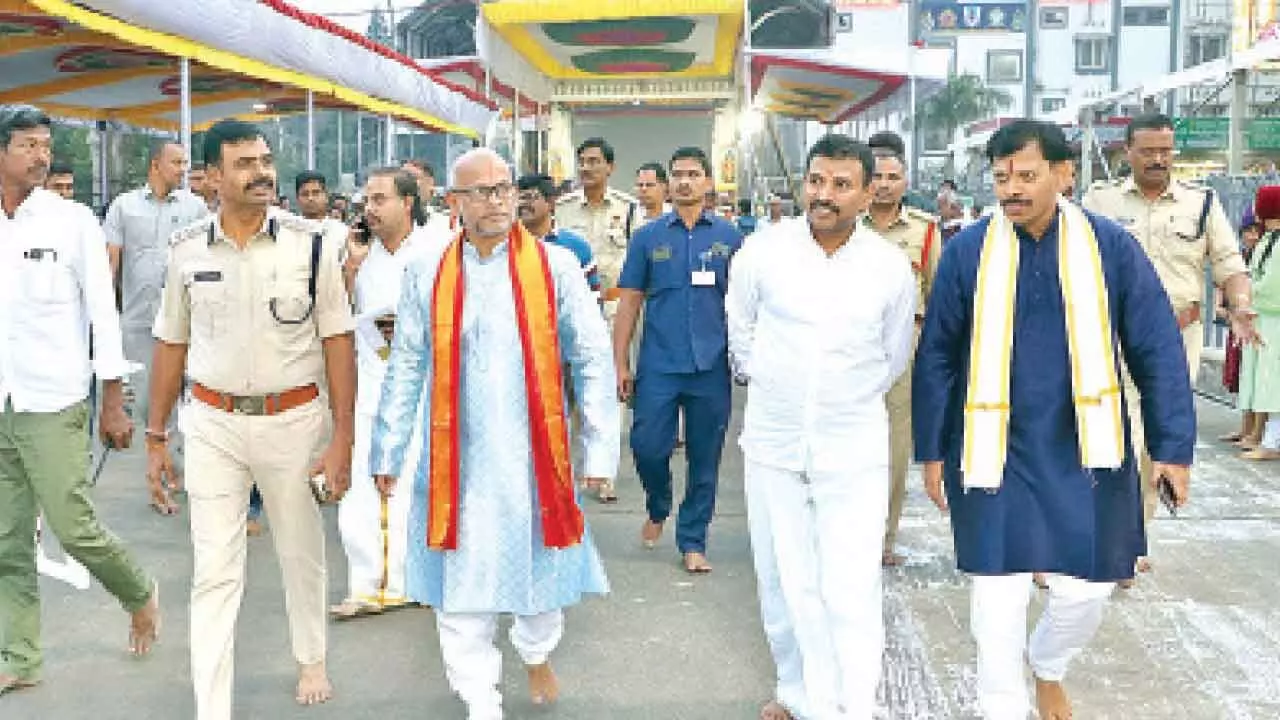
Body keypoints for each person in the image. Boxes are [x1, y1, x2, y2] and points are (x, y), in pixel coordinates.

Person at [913, 120, 1195, 720]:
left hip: (1084, 448)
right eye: (1001, 178)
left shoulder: (1110, 247)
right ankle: (1002, 707)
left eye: (1026, 175)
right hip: (992, 448)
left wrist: (1172, 447)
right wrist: (931, 450)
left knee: (1089, 589)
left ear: (1064, 175)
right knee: (996, 599)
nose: (1011, 189)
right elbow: (937, 354)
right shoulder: (968, 252)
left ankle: (1047, 663)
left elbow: (1156, 348)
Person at [369, 148, 617, 719]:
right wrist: (388, 449)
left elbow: (591, 357)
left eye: (504, 188)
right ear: (454, 202)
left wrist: (600, 450)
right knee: (460, 590)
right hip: (455, 462)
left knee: (540, 583)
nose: (498, 201)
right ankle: (481, 701)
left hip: (533, 461)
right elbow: (407, 363)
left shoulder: (554, 267)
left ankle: (535, 652)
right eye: (481, 191)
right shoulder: (428, 270)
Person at [145, 119, 356, 718]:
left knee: (300, 550)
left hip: (293, 421)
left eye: (265, 160)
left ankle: (311, 657)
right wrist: (156, 437)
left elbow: (338, 341)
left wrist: (343, 437)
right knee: (214, 568)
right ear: (212, 177)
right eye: (244, 164)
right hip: (211, 424)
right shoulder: (186, 249)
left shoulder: (312, 244)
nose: (262, 172)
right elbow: (172, 343)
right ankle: (212, 706)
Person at [728, 134, 916, 720]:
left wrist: (840, 399)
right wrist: (776, 386)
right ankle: (796, 692)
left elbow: (893, 355)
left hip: (852, 443)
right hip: (774, 440)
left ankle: (852, 704)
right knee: (782, 578)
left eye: (840, 185)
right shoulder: (763, 252)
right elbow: (741, 333)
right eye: (816, 181)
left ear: (866, 193)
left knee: (850, 583)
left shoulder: (888, 267)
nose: (824, 195)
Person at [0, 104, 161, 696]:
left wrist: (112, 399)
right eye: (28, 145)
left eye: (46, 145)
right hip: (1, 398)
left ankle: (138, 592)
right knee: (6, 538)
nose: (41, 156)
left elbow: (102, 312)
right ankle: (20, 657)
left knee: (72, 527)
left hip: (54, 398)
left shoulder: (71, 222)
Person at [1082, 112, 1256, 576]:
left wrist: (1240, 304)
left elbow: (1229, 264)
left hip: (1176, 340)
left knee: (1154, 441)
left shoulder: (1201, 203)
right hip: (1111, 339)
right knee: (1114, 433)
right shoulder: (1099, 200)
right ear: (1127, 152)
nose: (1158, 159)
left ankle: (1131, 540)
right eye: (1148, 151)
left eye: (1165, 151)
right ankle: (1100, 535)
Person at [613, 146, 743, 574]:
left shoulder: (730, 238)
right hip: (659, 364)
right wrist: (621, 363)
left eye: (693, 174)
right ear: (669, 184)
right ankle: (658, 502)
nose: (685, 181)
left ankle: (693, 540)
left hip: (711, 365)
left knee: (705, 458)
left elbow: (744, 305)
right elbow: (630, 302)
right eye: (678, 174)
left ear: (708, 182)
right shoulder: (648, 238)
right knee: (647, 446)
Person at [332, 168, 434, 619]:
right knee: (363, 487)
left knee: (412, 486)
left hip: (422, 391)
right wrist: (351, 267)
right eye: (366, 200)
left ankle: (413, 580)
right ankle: (367, 584)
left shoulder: (436, 249)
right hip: (369, 388)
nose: (369, 208)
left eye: (380, 199)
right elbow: (337, 315)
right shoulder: (358, 253)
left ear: (408, 203)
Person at [102, 139, 209, 514]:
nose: (183, 169)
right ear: (155, 165)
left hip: (187, 323)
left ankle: (176, 474)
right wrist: (104, 315)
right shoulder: (123, 207)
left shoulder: (196, 208)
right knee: (151, 403)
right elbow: (110, 264)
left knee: (188, 398)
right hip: (139, 322)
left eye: (185, 163)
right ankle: (167, 464)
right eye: (176, 162)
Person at [863, 130, 940, 567]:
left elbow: (937, 294)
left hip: (903, 350)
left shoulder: (924, 231)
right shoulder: (846, 224)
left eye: (893, 177)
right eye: (877, 177)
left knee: (894, 449)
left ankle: (882, 538)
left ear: (905, 182)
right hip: (851, 346)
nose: (884, 185)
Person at [556, 136, 633, 503]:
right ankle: (568, 468)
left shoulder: (628, 209)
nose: (586, 168)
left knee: (608, 390)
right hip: (572, 311)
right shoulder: (563, 209)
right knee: (568, 390)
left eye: (594, 161)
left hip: (613, 311)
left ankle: (604, 473)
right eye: (582, 161)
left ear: (610, 167)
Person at [1238, 186, 1280, 461]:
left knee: (1273, 380)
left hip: (1274, 317)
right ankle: (1264, 437)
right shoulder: (1269, 240)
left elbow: (1273, 285)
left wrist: (1248, 292)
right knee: (1265, 378)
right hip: (1264, 318)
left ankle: (1272, 442)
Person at [1221, 208, 1265, 447]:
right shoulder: (1242, 257)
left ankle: (1256, 433)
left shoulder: (1266, 253)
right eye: (1247, 231)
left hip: (1257, 324)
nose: (1252, 236)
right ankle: (1245, 428)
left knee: (1257, 378)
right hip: (1239, 325)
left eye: (1256, 230)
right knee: (1242, 377)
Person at [518, 173, 601, 297]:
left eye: (529, 197)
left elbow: (593, 297)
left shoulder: (576, 247)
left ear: (551, 202)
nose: (522, 204)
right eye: (518, 198)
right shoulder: (506, 244)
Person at [627, 162, 671, 239]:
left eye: (649, 185)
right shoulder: (629, 215)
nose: (643, 189)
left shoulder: (675, 216)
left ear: (664, 187)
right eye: (640, 185)